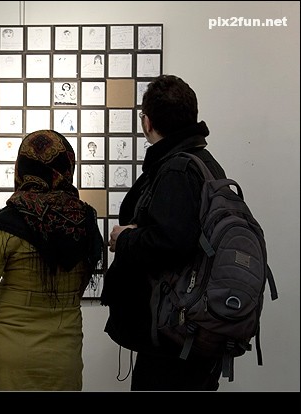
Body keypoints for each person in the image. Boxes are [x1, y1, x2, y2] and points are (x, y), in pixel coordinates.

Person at [100, 74, 227, 391]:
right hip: (194, 327)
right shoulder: (205, 163)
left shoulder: (176, 170)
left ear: (147, 122)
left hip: (174, 336)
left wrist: (125, 238)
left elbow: (171, 242)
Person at [0, 129, 104, 391]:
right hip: (64, 356)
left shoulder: (8, 222)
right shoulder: (85, 221)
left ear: (22, 168)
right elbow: (79, 286)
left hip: (11, 355)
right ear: (67, 167)